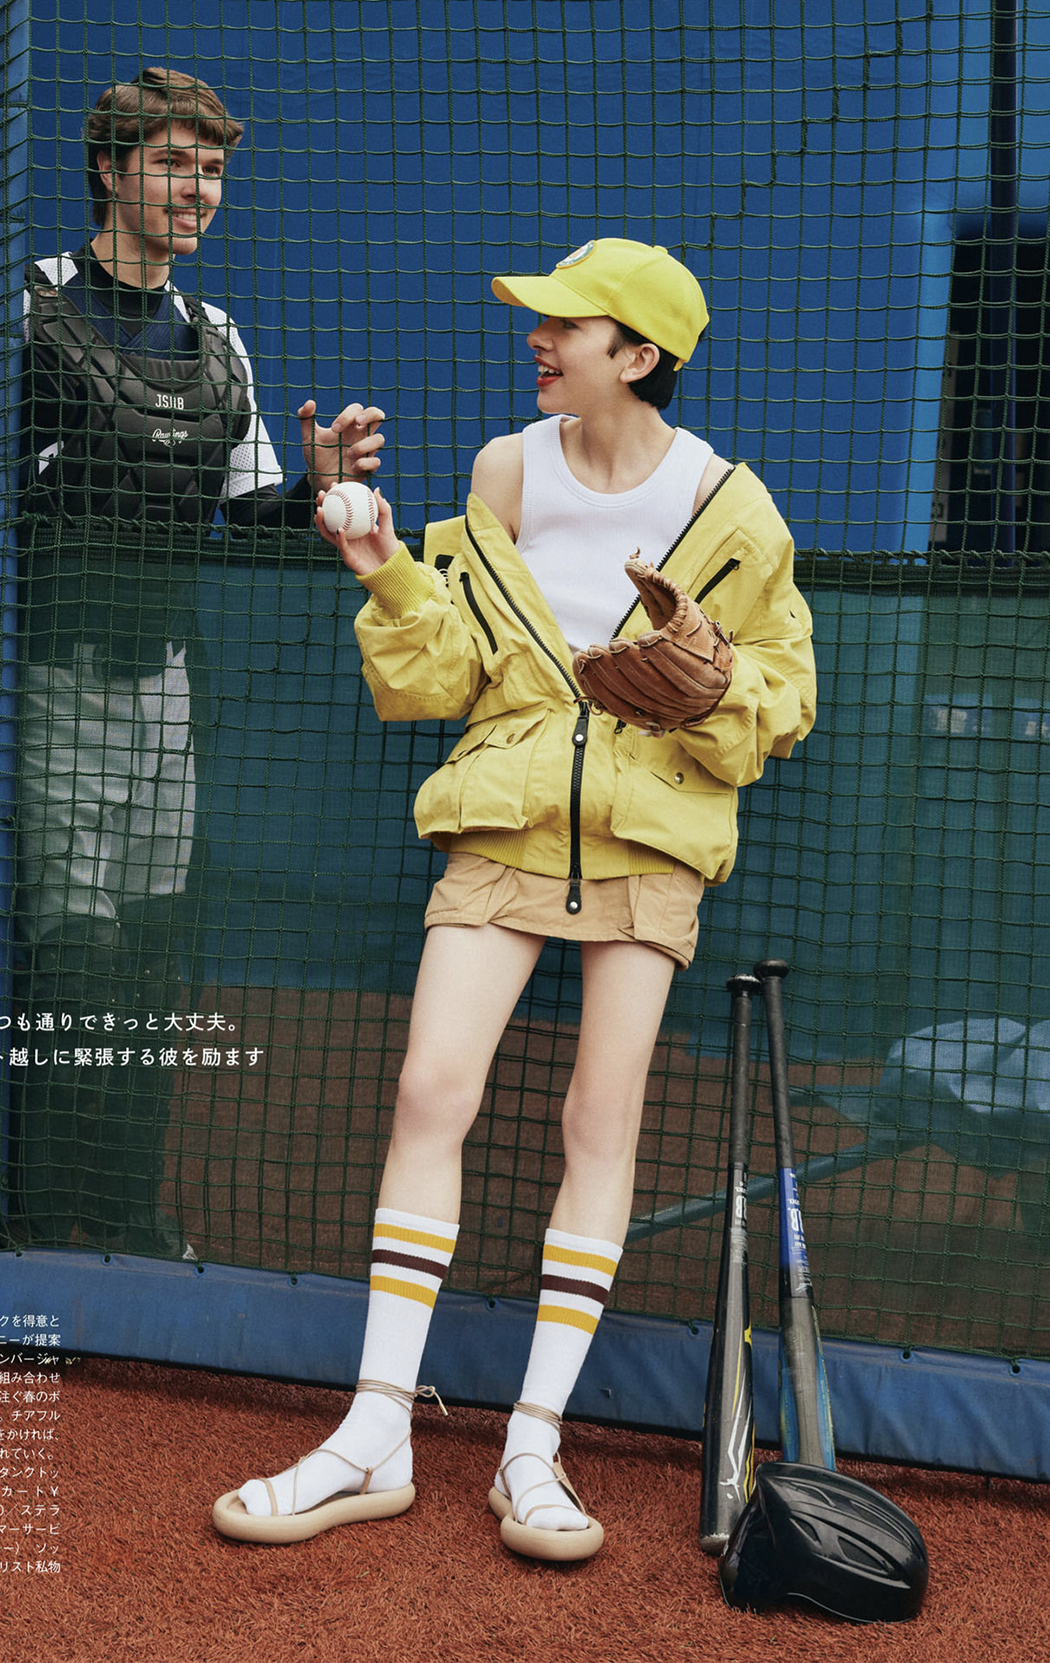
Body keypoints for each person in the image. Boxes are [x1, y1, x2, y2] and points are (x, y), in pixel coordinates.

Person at [212, 238, 816, 1558]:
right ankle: (374, 1430)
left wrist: (717, 685)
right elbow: (447, 671)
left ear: (638, 354)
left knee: (600, 1122)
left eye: (565, 325)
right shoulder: (504, 469)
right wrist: (383, 562)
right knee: (431, 1087)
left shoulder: (735, 508)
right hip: (504, 812)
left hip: (652, 839)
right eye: (538, 322)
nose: (537, 340)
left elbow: (786, 696)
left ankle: (531, 1445)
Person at [0, 68, 385, 1254]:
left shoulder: (215, 341)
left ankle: (124, 1215)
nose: (196, 190)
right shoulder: (13, 310)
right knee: (72, 953)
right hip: (45, 677)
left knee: (152, 960)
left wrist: (316, 488)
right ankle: (40, 1219)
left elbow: (250, 515)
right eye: (171, 164)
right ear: (110, 170)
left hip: (167, 686)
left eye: (211, 170)